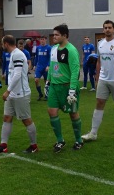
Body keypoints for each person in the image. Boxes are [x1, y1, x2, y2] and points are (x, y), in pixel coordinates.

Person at [82, 20, 114, 142]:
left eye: (110, 27)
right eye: (105, 28)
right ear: (103, 29)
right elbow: (99, 61)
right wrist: (97, 77)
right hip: (103, 79)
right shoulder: (100, 43)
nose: (107, 29)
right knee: (99, 103)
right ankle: (93, 133)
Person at [0, 35, 38, 154]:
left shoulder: (17, 54)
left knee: (26, 120)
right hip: (13, 94)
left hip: (21, 93)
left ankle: (34, 146)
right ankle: (3, 145)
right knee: (7, 117)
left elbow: (17, 74)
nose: (1, 46)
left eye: (2, 44)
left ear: (6, 44)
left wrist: (7, 91)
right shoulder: (14, 54)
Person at [47, 24, 84, 152]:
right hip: (54, 87)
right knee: (52, 111)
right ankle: (60, 140)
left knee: (73, 114)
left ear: (65, 36)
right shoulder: (53, 49)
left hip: (67, 87)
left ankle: (79, 140)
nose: (54, 37)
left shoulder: (71, 50)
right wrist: (48, 81)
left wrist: (72, 89)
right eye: (53, 34)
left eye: (57, 35)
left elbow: (75, 71)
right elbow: (52, 66)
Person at [33, 36, 51, 101]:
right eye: (41, 39)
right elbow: (36, 57)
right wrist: (34, 65)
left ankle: (46, 95)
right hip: (39, 67)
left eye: (43, 39)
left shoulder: (49, 48)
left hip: (46, 67)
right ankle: (40, 94)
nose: (42, 40)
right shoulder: (38, 48)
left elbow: (50, 58)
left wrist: (48, 65)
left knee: (46, 81)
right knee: (36, 80)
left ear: (45, 40)